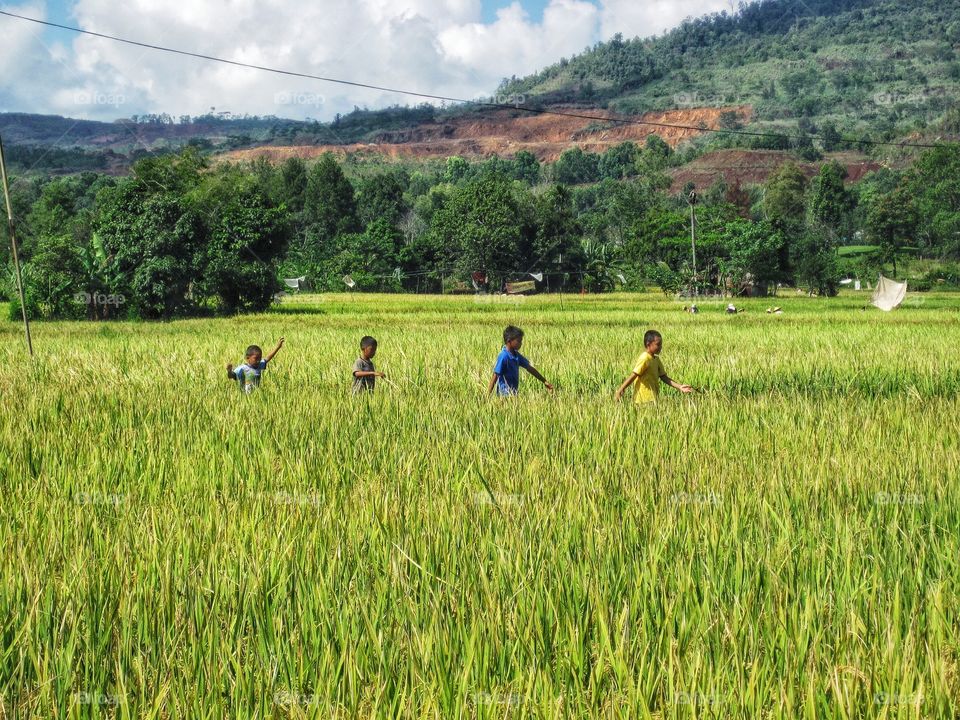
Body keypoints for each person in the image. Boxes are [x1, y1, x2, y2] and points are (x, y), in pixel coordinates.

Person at [614, 329, 693, 404]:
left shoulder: (656, 359)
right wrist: (621, 390)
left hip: (653, 397)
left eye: (661, 344)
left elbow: (664, 377)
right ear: (648, 344)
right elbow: (634, 375)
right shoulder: (644, 358)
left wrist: (680, 387)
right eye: (658, 345)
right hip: (643, 399)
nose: (660, 347)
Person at [488, 325, 554, 396]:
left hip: (514, 393)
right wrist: (488, 395)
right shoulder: (503, 356)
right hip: (504, 394)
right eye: (519, 341)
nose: (521, 343)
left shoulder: (516, 355)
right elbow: (495, 375)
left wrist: (544, 381)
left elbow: (530, 368)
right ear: (509, 341)